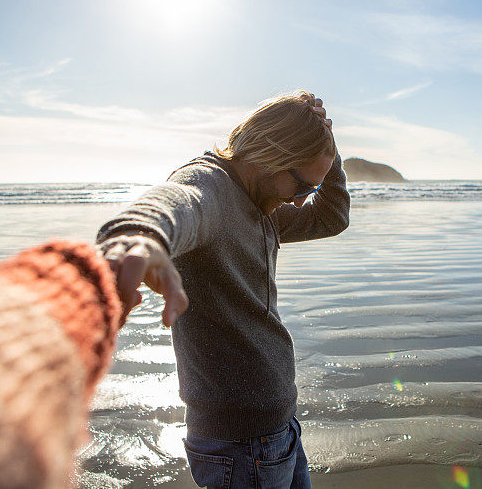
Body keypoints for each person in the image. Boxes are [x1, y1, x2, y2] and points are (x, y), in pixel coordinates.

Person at [96, 90, 350, 489]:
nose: (301, 202)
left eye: (309, 192)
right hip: (242, 446)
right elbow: (179, 201)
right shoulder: (213, 185)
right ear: (271, 155)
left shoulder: (261, 204)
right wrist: (139, 236)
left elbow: (331, 217)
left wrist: (328, 152)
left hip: (277, 428)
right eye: (301, 186)